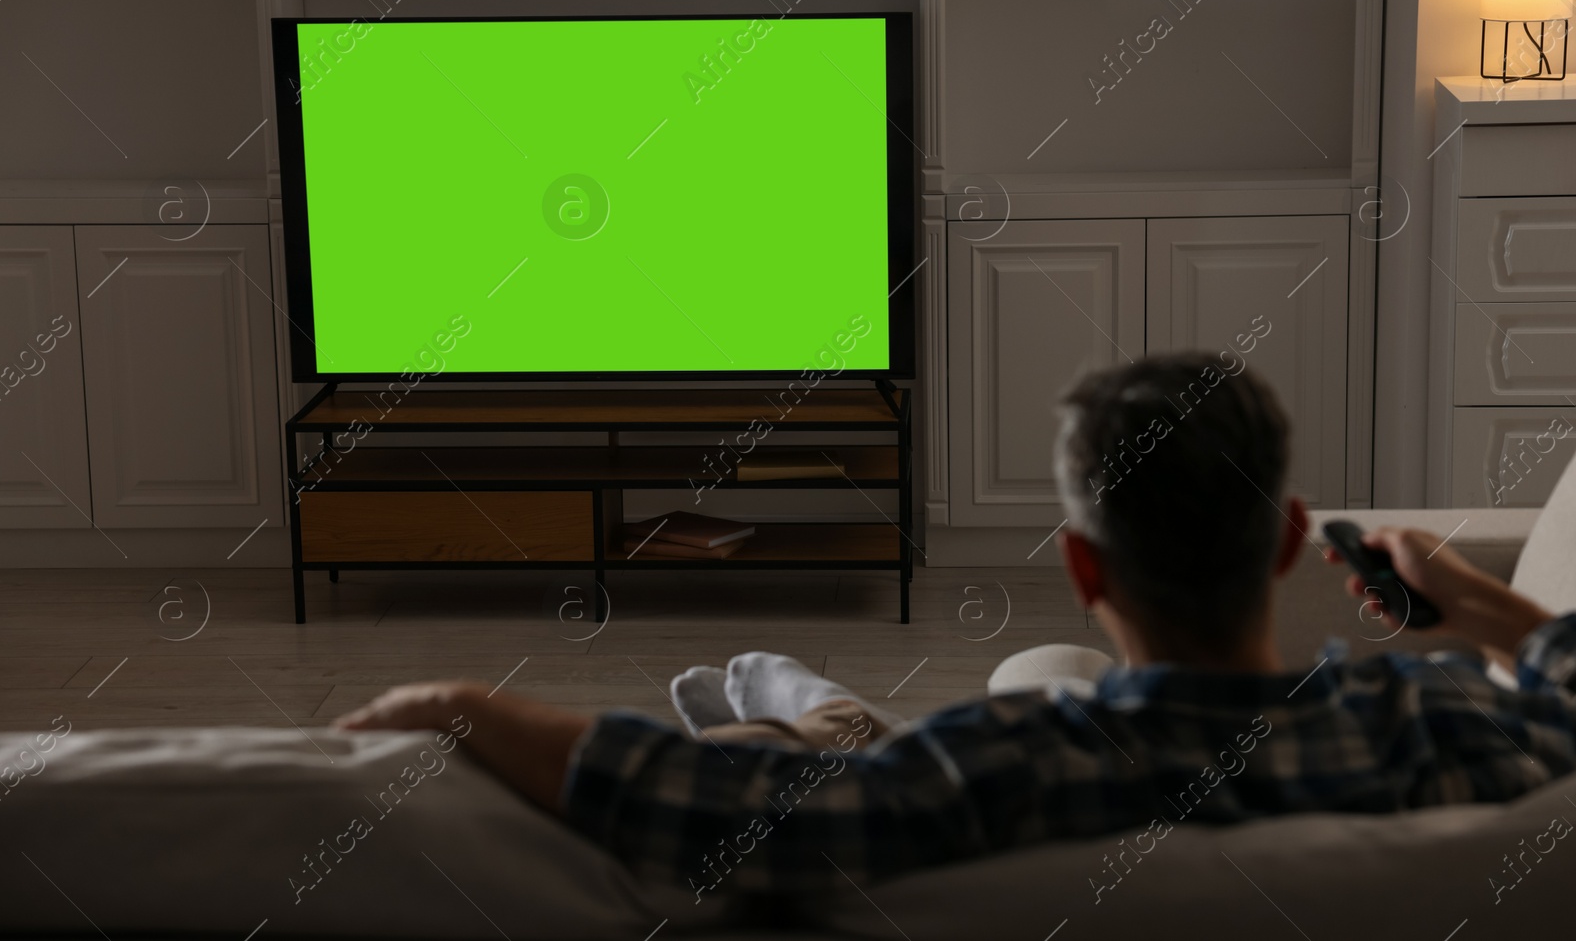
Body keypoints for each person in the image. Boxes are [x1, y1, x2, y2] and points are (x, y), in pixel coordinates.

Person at [334, 353, 1576, 898]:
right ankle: (790, 696)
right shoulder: (1453, 726)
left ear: (1081, 558)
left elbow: (689, 810)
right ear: (1294, 534)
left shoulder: (996, 762)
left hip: (937, 754)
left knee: (843, 743)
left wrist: (462, 702)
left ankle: (792, 701)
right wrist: (1493, 606)